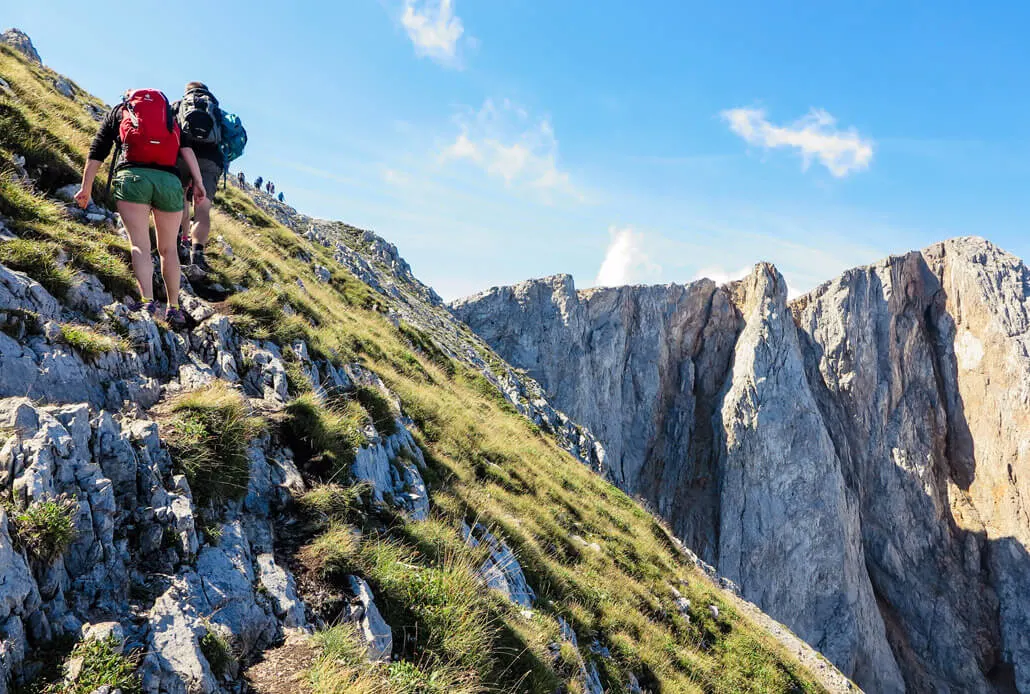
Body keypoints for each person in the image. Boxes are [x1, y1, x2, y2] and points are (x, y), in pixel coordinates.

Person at [75, 88, 206, 329]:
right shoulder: (169, 116)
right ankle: (174, 308)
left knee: (140, 246)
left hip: (132, 178)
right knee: (169, 250)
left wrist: (86, 188)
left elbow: (97, 151)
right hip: (169, 182)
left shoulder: (120, 112)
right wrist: (198, 183)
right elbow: (186, 149)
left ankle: (147, 302)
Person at [173, 82, 223, 271]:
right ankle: (197, 254)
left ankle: (176, 242)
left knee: (178, 200)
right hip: (210, 161)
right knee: (202, 210)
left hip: (181, 155)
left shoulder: (179, 105)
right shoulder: (217, 110)